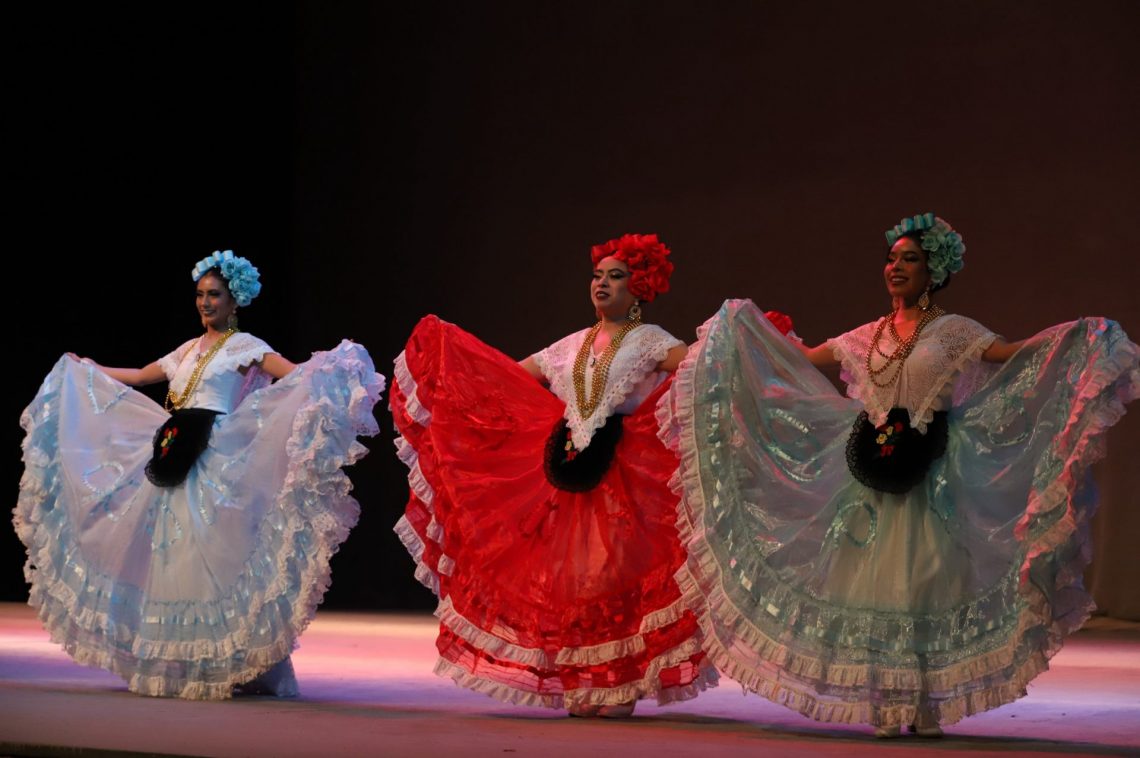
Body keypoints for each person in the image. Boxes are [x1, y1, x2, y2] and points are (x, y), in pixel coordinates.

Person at [657, 214, 1139, 737]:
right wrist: (744, 328)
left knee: (927, 581)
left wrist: (1074, 338)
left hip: (933, 476)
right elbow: (805, 357)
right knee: (873, 588)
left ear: (934, 271)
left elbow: (1008, 354)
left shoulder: (955, 331)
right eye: (891, 259)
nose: (896, 267)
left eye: (910, 259)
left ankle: (924, 701)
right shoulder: (868, 335)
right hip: (870, 476)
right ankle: (887, 700)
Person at [14, 250, 384, 699]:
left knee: (214, 554)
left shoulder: (246, 347)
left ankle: (236, 661)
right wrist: (91, 368)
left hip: (216, 456)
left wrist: (330, 369)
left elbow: (292, 377)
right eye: (200, 295)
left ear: (234, 301)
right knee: (170, 555)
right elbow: (142, 375)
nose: (205, 303)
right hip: (173, 453)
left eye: (214, 295)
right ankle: (179, 659)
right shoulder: (187, 349)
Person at [392, 234, 717, 717]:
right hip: (567, 476)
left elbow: (699, 370)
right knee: (575, 581)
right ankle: (584, 680)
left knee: (613, 577)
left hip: (624, 478)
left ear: (640, 287)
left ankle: (617, 683)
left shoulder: (652, 341)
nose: (602, 284)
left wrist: (733, 349)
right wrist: (456, 366)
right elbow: (507, 377)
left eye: (616, 276)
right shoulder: (571, 344)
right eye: (598, 275)